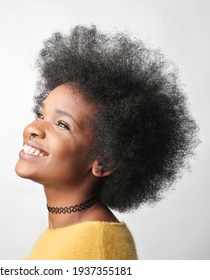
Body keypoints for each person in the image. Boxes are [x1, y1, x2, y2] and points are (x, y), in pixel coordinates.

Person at [15, 25, 198, 260]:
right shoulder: (61, 232)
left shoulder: (97, 248)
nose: (33, 129)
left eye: (62, 124)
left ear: (103, 161)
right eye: (41, 115)